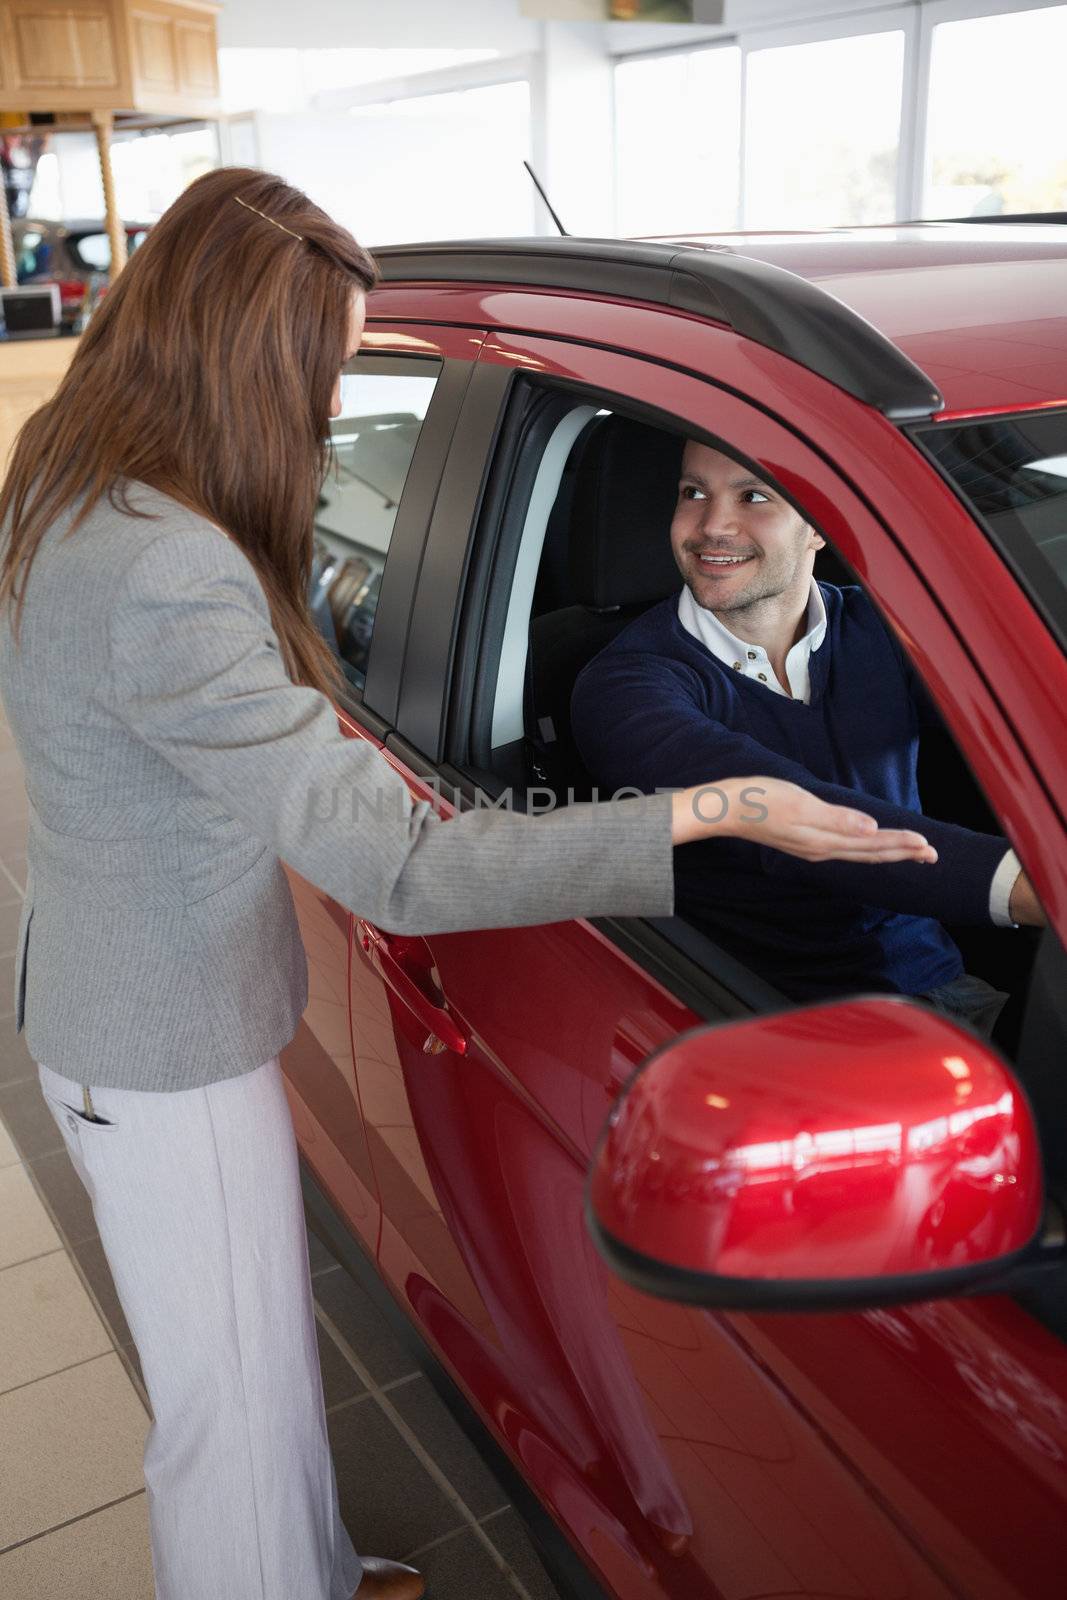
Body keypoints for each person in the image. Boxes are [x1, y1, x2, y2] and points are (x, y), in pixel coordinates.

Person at [0, 170, 937, 1600]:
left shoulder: (78, 479)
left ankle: (310, 1563)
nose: (326, 407)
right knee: (228, 1411)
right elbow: (402, 861)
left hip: (122, 991)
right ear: (238, 352)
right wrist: (708, 807)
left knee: (251, 1362)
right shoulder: (165, 568)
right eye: (319, 366)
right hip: (163, 1038)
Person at [571, 437, 1045, 1037]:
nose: (713, 525)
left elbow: (1018, 711)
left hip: (939, 986)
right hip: (778, 1025)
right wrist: (1039, 890)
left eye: (753, 496)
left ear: (820, 526)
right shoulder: (624, 686)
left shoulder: (887, 628)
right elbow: (785, 809)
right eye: (694, 493)